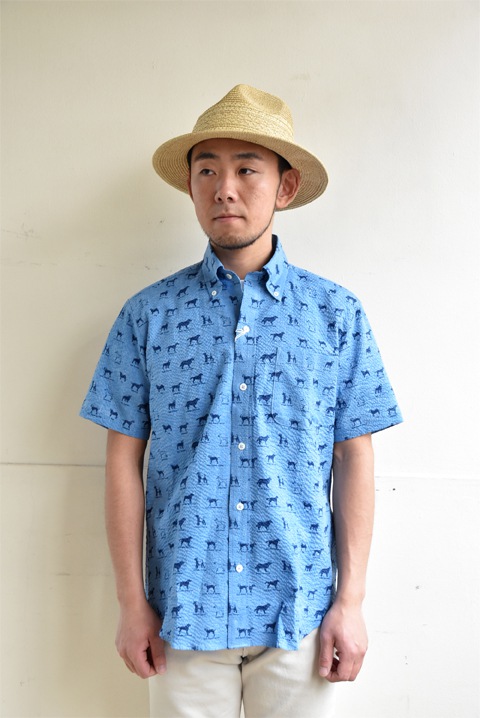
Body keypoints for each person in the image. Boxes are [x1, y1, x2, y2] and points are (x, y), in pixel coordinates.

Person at [80, 84, 402, 717]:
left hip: (300, 617)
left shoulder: (335, 315)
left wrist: (351, 602)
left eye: (247, 170)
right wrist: (130, 603)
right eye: (207, 171)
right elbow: (122, 461)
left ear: (285, 187)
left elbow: (354, 457)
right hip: (181, 616)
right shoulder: (147, 316)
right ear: (191, 186)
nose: (224, 189)